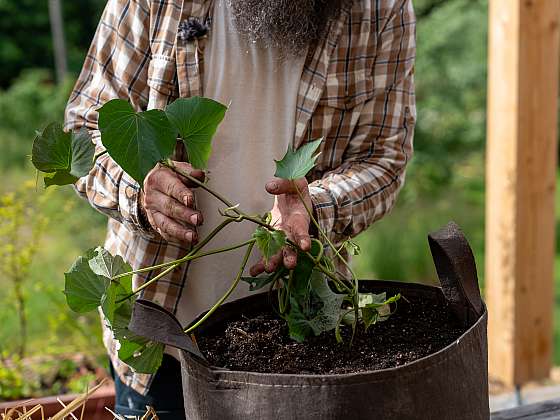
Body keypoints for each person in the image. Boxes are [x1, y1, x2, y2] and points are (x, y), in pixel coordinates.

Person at [65, 0, 416, 417]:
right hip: (158, 340)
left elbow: (383, 159)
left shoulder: (380, 10)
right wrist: (139, 192)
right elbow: (84, 129)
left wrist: (316, 207)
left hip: (303, 344)